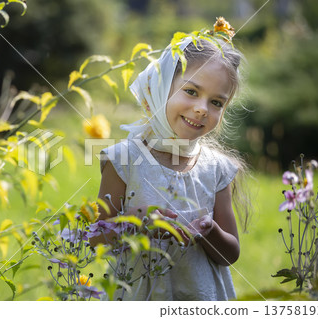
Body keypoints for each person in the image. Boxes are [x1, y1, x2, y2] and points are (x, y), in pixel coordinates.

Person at [90, 18, 251, 301]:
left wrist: (210, 231)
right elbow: (96, 238)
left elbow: (230, 254)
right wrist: (134, 221)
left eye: (216, 102)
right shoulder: (124, 161)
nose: (202, 109)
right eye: (191, 91)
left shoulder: (215, 169)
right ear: (160, 87)